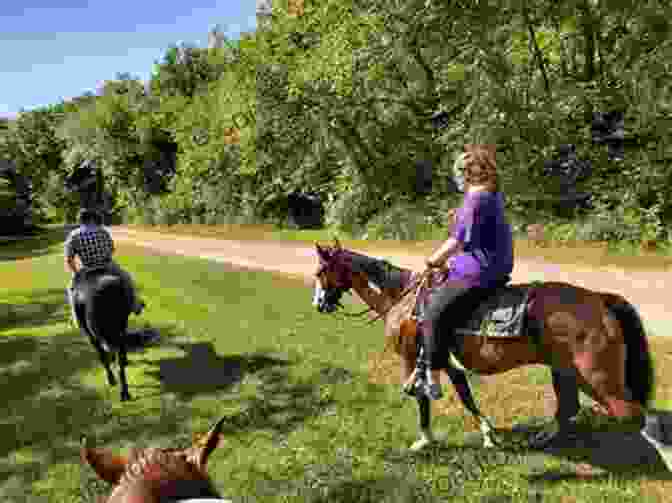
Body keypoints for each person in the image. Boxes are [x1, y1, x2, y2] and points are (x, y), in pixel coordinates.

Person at [409, 144, 514, 400]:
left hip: (480, 271)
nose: (457, 178)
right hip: (493, 264)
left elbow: (456, 242)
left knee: (433, 312)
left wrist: (432, 261)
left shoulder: (475, 199)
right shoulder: (490, 194)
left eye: (459, 173)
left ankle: (431, 379)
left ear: (466, 174)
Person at [65, 208, 145, 325]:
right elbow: (111, 250)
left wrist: (77, 273)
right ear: (92, 219)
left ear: (81, 221)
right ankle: (135, 305)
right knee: (127, 278)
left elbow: (69, 259)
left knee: (71, 289)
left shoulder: (73, 235)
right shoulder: (102, 231)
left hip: (87, 268)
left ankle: (76, 319)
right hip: (107, 265)